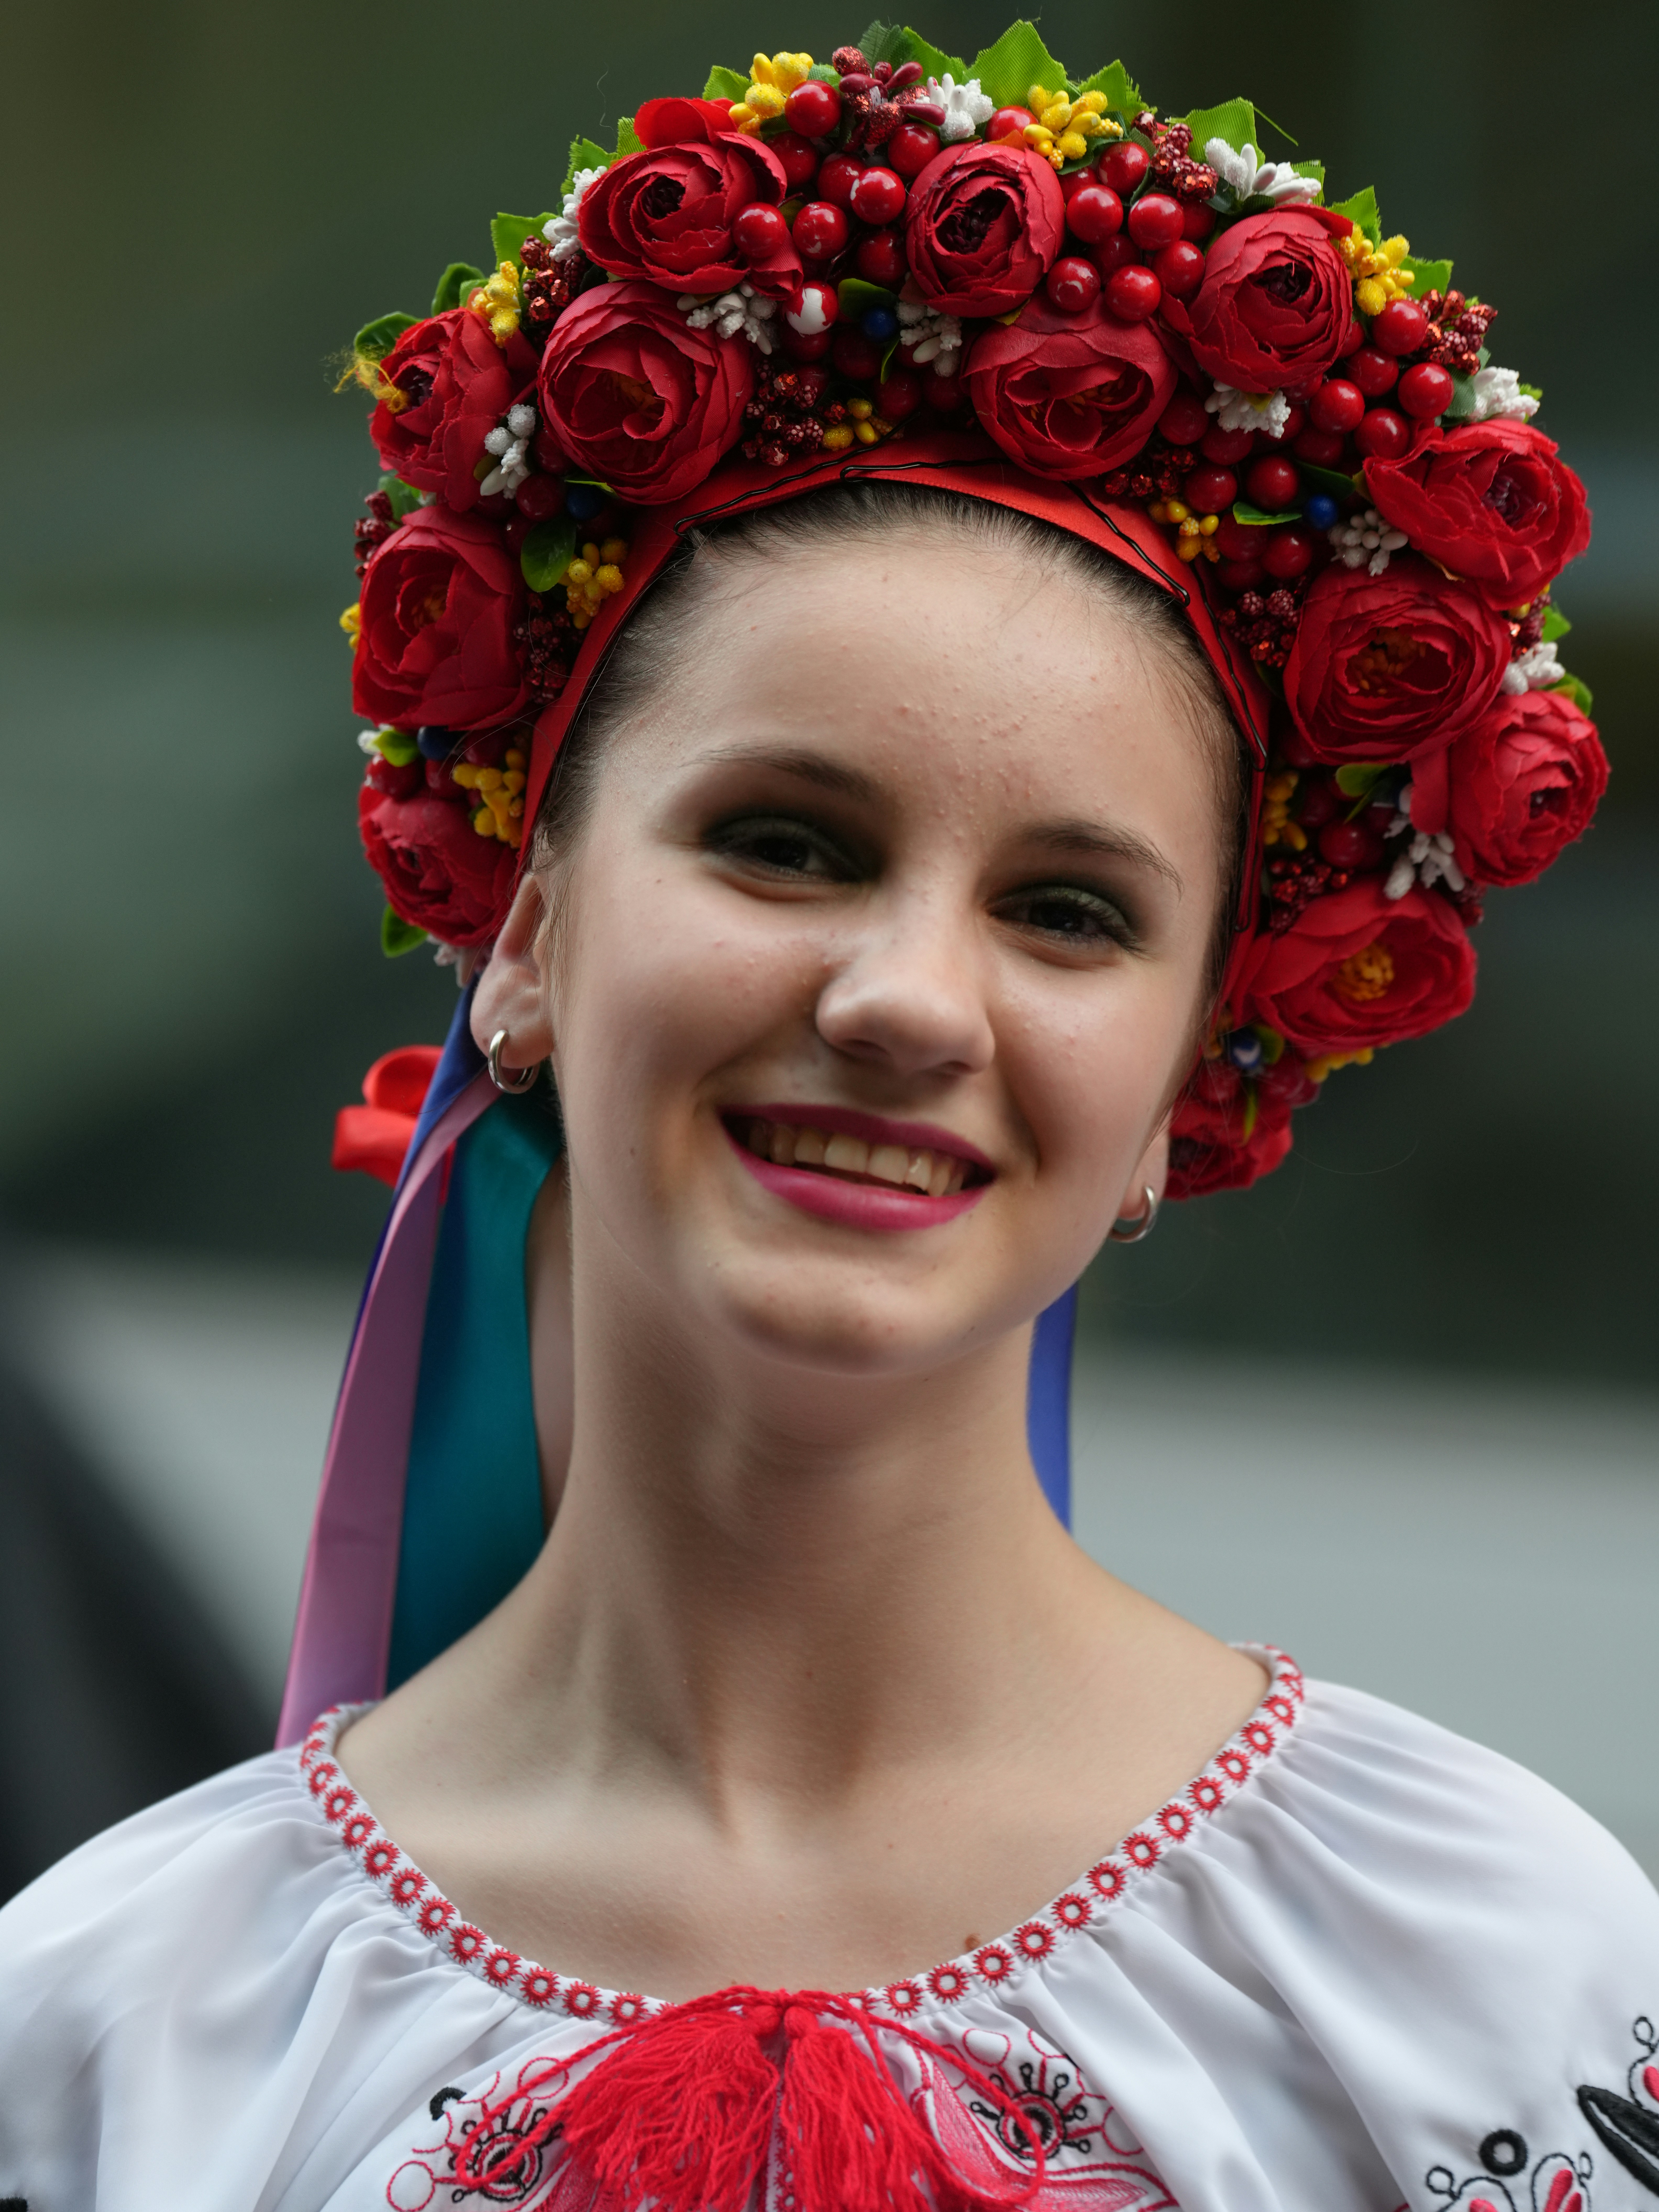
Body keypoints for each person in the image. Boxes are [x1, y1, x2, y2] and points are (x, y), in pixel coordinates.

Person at [3, 29, 1653, 2212]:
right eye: (785, 843)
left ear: (1184, 1084)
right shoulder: (111, 2022)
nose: (899, 1001)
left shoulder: (1470, 1962)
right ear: (526, 931)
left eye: (1068, 912)